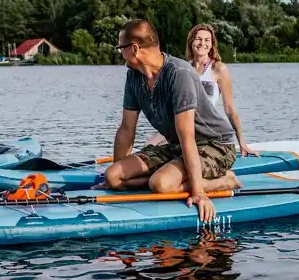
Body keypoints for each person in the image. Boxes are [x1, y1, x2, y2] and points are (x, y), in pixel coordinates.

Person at [103, 19, 240, 222]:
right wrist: (117, 179)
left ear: (134, 49)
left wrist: (198, 192)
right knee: (113, 176)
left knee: (161, 185)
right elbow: (126, 129)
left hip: (215, 144)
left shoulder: (179, 73)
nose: (119, 52)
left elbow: (187, 135)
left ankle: (224, 180)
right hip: (178, 145)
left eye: (120, 48)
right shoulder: (133, 76)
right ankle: (166, 176)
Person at [144, 23, 258, 157]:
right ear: (191, 41)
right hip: (180, 125)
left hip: (203, 128)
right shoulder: (182, 68)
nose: (202, 43)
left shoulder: (218, 69)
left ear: (212, 45)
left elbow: (230, 109)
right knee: (149, 144)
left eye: (207, 40)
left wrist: (242, 143)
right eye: (198, 39)